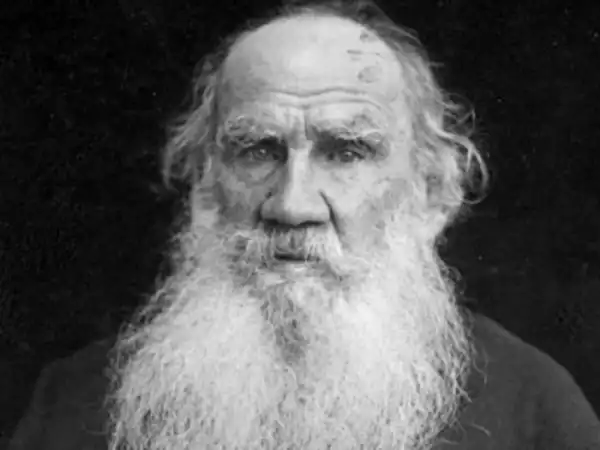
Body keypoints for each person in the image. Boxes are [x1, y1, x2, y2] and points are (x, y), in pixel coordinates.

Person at [7, 1, 600, 449]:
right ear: (205, 186)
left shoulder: (534, 408)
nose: (292, 206)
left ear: (432, 194)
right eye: (257, 149)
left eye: (346, 152)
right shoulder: (75, 400)